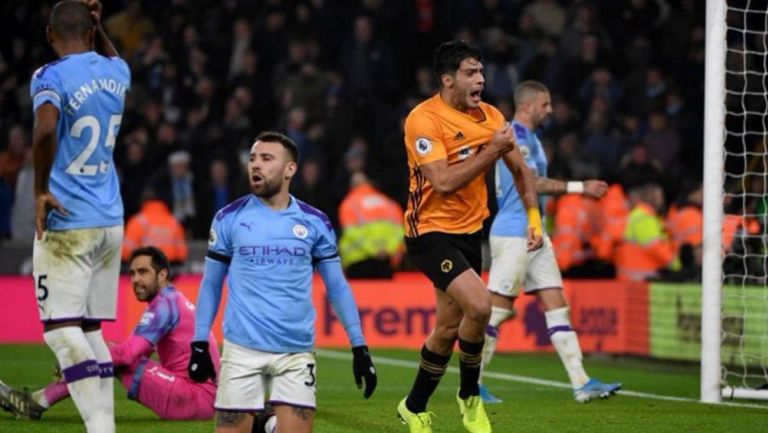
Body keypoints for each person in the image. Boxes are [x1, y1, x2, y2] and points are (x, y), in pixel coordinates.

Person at [188, 131, 378, 433]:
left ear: (290, 169)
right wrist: (199, 342)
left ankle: (269, 425)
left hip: (295, 352)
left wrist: (360, 347)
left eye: (266, 158)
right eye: (252, 158)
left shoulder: (315, 222)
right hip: (242, 350)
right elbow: (211, 284)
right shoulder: (228, 218)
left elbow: (337, 287)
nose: (255, 165)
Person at [397, 40, 542, 433]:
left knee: (447, 328)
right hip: (428, 232)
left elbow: (521, 171)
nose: (481, 79)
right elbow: (442, 182)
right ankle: (470, 397)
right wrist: (492, 150)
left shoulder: (491, 116)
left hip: (468, 232)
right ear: (448, 80)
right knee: (479, 307)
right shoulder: (423, 120)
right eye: (470, 73)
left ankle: (413, 406)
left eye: (481, 72)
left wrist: (534, 217)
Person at [479, 80, 621, 404]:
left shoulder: (534, 140)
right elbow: (532, 182)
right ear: (527, 106)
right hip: (514, 231)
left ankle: (582, 382)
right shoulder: (512, 136)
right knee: (496, 312)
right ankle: (472, 382)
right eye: (545, 104)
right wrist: (577, 187)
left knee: (557, 304)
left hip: (534, 232)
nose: (550, 109)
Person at [29, 1, 129, 432]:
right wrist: (98, 24)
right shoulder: (119, 74)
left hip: (69, 220)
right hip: (110, 220)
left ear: (51, 35)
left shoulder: (49, 77)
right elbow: (111, 57)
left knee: (59, 330)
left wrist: (38, 191)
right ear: (91, 33)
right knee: (90, 331)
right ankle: (103, 427)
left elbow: (46, 129)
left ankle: (100, 429)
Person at [0, 247, 220, 420]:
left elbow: (126, 356)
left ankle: (36, 403)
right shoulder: (173, 301)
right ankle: (38, 401)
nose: (135, 279)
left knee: (113, 355)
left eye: (143, 272)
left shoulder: (164, 305)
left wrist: (79, 362)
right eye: (132, 273)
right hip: (202, 397)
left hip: (195, 397)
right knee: (108, 352)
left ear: (162, 275)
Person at [338, 171, 404, 279]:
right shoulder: (390, 203)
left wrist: (374, 251)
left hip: (358, 263)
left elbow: (352, 234)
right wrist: (386, 251)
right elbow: (399, 233)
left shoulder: (349, 204)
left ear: (351, 186)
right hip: (387, 264)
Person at [122, 188, 188, 270]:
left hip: (143, 271)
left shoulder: (137, 221)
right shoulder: (174, 222)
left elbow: (126, 252)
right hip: (169, 271)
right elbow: (181, 254)